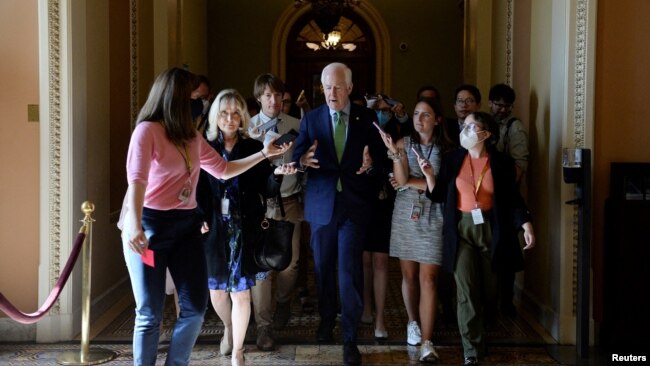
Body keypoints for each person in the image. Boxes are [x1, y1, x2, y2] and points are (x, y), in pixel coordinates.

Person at [120, 67, 290, 366]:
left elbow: (223, 170)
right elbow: (137, 181)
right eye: (196, 98)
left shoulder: (191, 137)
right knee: (150, 312)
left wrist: (264, 154)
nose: (202, 104)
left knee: (196, 309)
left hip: (185, 228)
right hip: (150, 228)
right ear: (176, 99)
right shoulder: (147, 131)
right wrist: (134, 225)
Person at [417, 111, 536, 366]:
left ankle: (482, 335)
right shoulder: (453, 159)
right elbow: (438, 195)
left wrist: (526, 224)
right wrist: (428, 175)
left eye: (472, 126)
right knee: (467, 290)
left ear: (486, 134)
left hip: (492, 230)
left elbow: (513, 198)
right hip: (461, 230)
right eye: (465, 125)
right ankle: (470, 349)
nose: (466, 129)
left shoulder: (501, 162)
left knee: (489, 292)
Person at [292, 62, 385, 366]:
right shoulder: (313, 118)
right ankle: (326, 319)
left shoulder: (367, 118)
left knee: (349, 272)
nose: (332, 93)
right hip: (321, 207)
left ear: (350, 88)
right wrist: (303, 158)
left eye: (337, 87)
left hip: (354, 207)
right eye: (327, 87)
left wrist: (371, 164)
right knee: (322, 269)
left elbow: (380, 160)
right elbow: (297, 154)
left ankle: (350, 337)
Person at [196, 88, 298, 366]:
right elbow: (196, 187)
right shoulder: (204, 146)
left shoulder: (253, 148)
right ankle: (229, 328)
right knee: (217, 290)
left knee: (241, 291)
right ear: (216, 116)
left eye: (235, 113)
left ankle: (239, 350)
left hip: (245, 227)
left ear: (243, 117)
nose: (230, 119)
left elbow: (265, 188)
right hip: (214, 228)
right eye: (224, 113)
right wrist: (201, 216)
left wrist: (276, 173)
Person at [376, 97, 454, 362]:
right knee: (409, 276)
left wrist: (411, 181)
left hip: (435, 214)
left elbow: (440, 188)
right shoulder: (403, 143)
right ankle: (412, 321)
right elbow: (399, 180)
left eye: (426, 115)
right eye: (417, 114)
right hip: (406, 213)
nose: (419, 119)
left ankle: (427, 341)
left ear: (438, 120)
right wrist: (400, 163)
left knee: (429, 278)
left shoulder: (447, 149)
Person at [247, 74, 304, 351]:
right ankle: (264, 326)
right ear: (259, 98)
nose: (274, 100)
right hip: (259, 204)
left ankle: (283, 300)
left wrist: (301, 163)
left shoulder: (296, 125)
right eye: (268, 95)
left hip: (290, 200)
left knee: (290, 264)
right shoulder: (247, 128)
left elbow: (306, 161)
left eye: (278, 95)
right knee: (261, 267)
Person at [488, 83, 530, 317]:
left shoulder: (515, 129)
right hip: (487, 200)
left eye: (507, 106)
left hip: (505, 199)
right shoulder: (484, 123)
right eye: (498, 104)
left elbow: (518, 169)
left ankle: (505, 300)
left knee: (506, 251)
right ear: (490, 102)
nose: (502, 110)